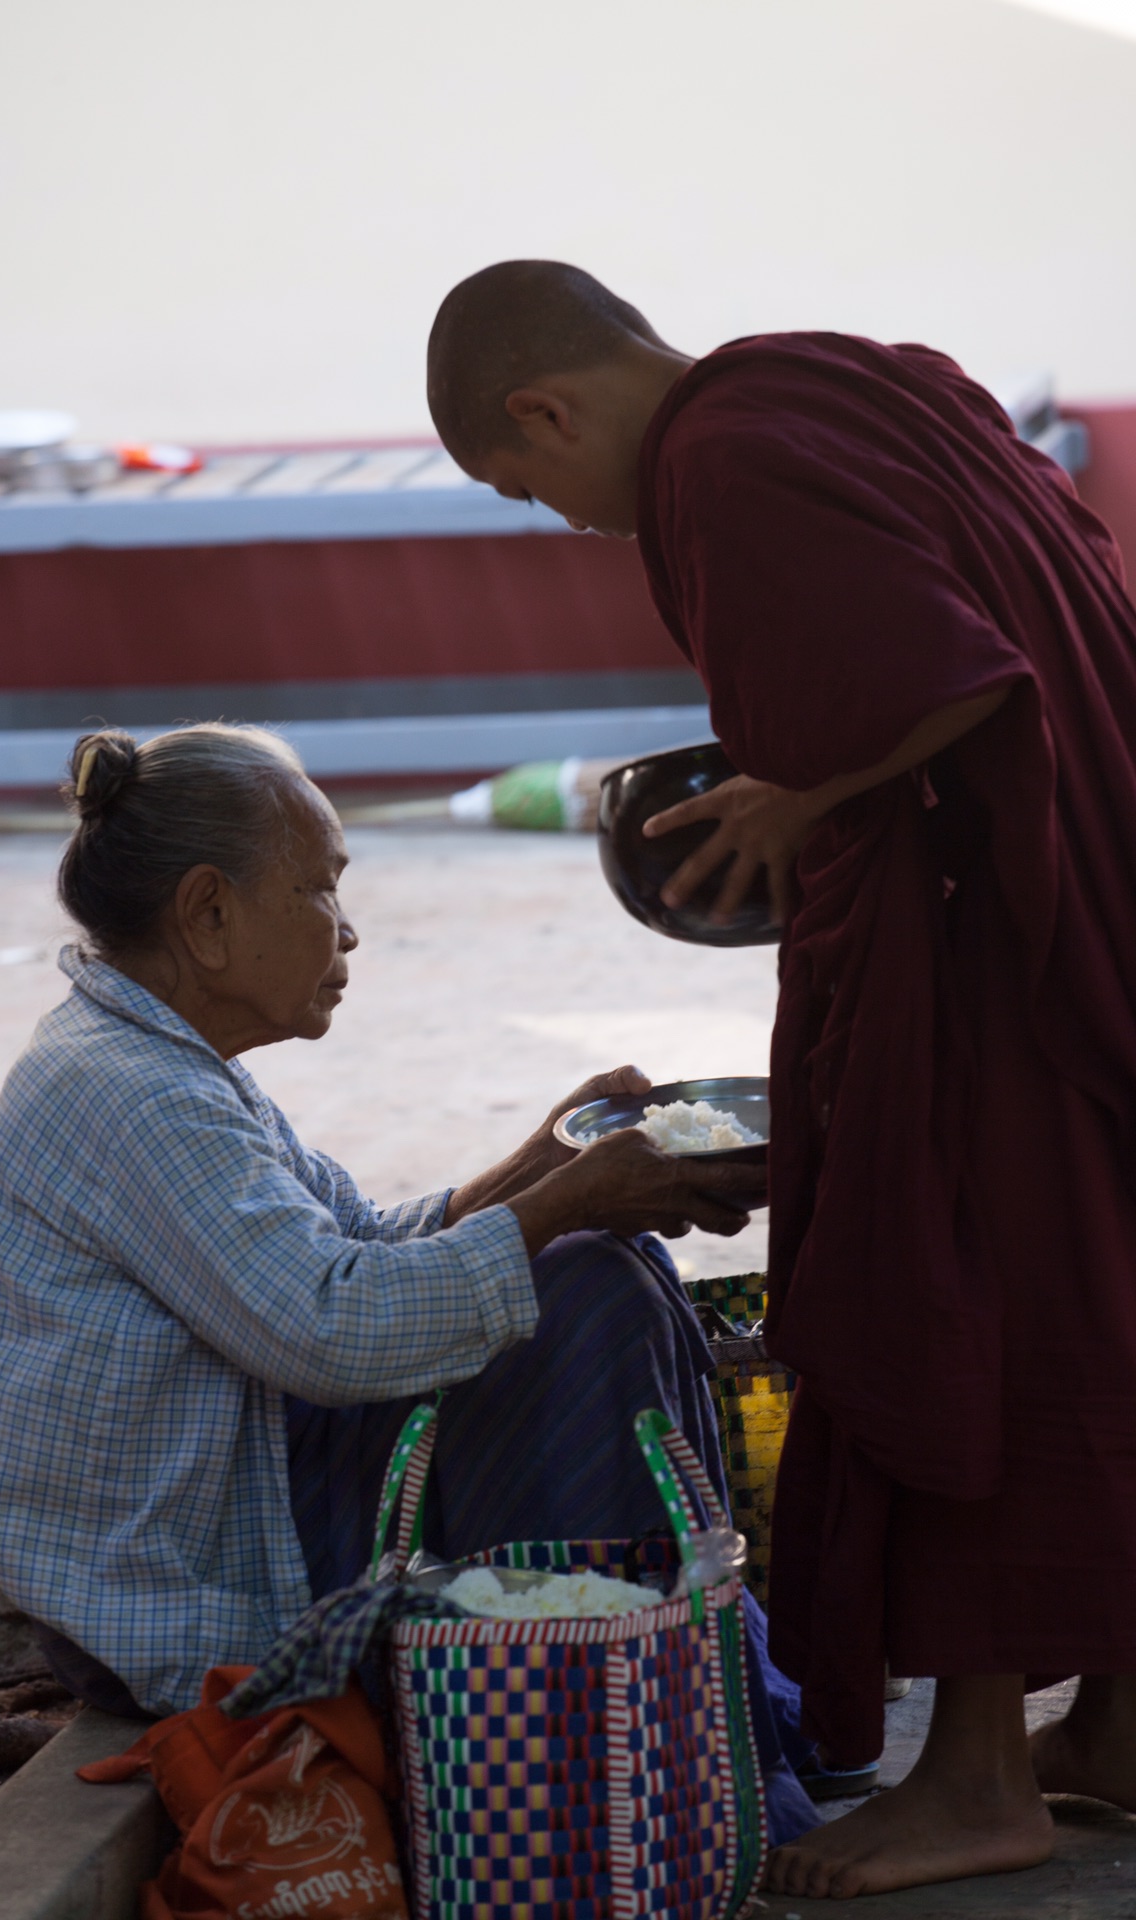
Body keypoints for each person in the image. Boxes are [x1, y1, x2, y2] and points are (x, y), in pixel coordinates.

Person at [425, 260, 1136, 1900]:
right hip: (1068, 898)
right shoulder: (845, 373)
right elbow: (1043, 580)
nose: (563, 520)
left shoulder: (721, 466)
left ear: (546, 407)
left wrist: (800, 795)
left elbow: (957, 673)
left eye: (530, 487)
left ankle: (972, 1778)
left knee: (944, 1308)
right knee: (1084, 1298)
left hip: (978, 960)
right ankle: (1112, 1723)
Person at [0, 721, 819, 1844]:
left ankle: (686, 1728)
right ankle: (652, 1763)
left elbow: (352, 1246)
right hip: (172, 1594)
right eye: (319, 889)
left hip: (233, 1493)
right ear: (209, 914)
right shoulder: (132, 1094)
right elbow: (336, 1329)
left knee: (600, 1264)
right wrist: (566, 1205)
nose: (349, 930)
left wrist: (546, 1163)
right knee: (591, 1297)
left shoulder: (150, 1057)